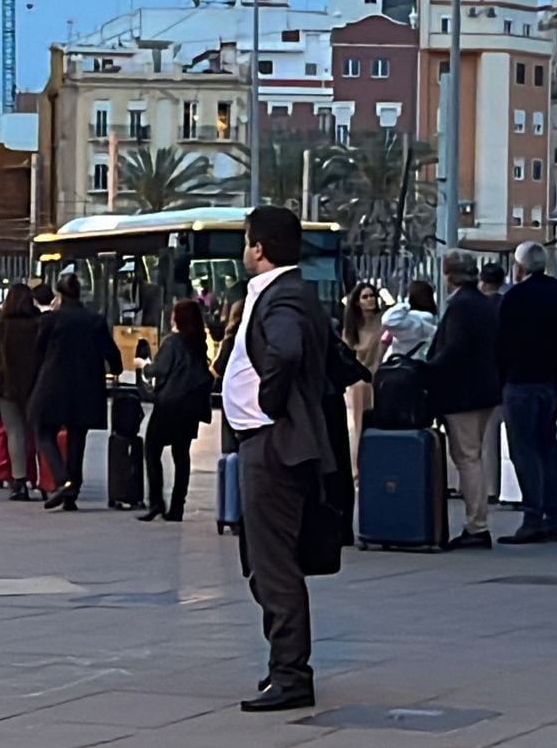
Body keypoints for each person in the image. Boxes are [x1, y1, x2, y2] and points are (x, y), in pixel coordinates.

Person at [224, 205, 336, 712]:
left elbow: (287, 352)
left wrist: (269, 403)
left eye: (247, 240)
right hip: (273, 442)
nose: (244, 249)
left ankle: (291, 673)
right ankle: (283, 667)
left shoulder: (283, 296)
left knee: (273, 565)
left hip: (272, 444)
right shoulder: (291, 294)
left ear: (258, 247)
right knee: (264, 563)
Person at [495, 241, 557, 545]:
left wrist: (500, 376)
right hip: (549, 381)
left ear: (519, 267)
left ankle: (532, 517)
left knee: (524, 450)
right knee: (547, 447)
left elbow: (501, 341)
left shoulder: (515, 297)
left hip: (520, 380)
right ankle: (555, 518)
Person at [424, 252, 503, 549]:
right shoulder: (483, 304)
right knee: (475, 455)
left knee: (467, 458)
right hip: (485, 390)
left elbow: (454, 350)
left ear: (450, 276)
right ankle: (477, 522)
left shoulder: (460, 306)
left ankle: (476, 525)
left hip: (463, 395)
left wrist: (428, 369)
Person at [29, 272, 120, 510]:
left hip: (54, 384)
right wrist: (117, 369)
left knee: (43, 429)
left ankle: (62, 480)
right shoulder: (95, 320)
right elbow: (110, 351)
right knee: (77, 438)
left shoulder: (51, 320)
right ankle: (72, 492)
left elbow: (38, 352)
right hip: (87, 387)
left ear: (59, 294)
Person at [139, 298, 213, 522]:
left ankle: (156, 502)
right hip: (190, 408)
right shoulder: (199, 343)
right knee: (181, 455)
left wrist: (144, 365)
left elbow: (158, 370)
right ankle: (177, 507)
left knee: (152, 450)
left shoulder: (172, 342)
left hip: (169, 406)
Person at [0, 283, 42, 501]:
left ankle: (19, 481)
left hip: (5, 383)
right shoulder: (38, 323)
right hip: (34, 384)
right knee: (37, 432)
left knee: (14, 432)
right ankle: (42, 477)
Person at [341, 282, 385, 452]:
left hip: (382, 375)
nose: (370, 300)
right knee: (359, 421)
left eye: (372, 296)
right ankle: (360, 456)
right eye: (365, 297)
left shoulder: (384, 322)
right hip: (361, 380)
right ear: (357, 302)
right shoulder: (352, 329)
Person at [379, 280, 440, 362]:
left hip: (399, 366)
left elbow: (387, 320)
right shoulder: (432, 321)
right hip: (419, 366)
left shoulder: (411, 321)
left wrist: (405, 305)